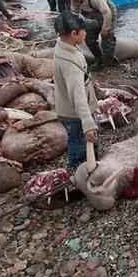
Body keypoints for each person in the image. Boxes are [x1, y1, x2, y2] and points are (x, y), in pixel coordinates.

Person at [53, 10, 100, 170]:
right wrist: (88, 124)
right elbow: (77, 96)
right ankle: (80, 175)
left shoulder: (65, 46)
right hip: (75, 115)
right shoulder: (69, 63)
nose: (86, 32)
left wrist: (89, 81)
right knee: (81, 147)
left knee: (78, 142)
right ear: (73, 33)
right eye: (84, 30)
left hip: (70, 110)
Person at [68, 0, 118, 68]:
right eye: (74, 1)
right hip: (92, 14)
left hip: (108, 12)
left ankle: (109, 62)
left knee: (107, 38)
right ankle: (99, 59)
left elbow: (107, 12)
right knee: (89, 38)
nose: (76, 3)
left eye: (77, 0)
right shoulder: (74, 1)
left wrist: (105, 28)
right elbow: (76, 15)